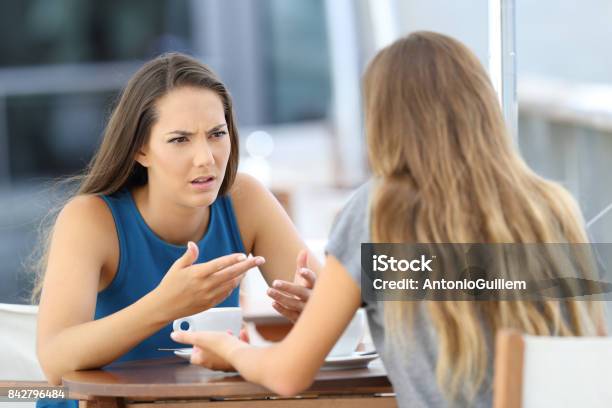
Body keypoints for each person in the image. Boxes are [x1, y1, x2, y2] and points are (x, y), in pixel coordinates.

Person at [170, 31, 605, 407]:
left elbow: (288, 374)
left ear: (384, 120)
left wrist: (231, 351)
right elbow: (590, 352)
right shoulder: (551, 207)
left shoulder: (382, 212)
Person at [33, 53, 320, 408]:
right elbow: (53, 362)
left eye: (217, 134)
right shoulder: (90, 219)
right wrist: (164, 305)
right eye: (180, 140)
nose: (206, 158)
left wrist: (318, 315)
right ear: (141, 149)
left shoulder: (247, 200)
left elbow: (339, 321)